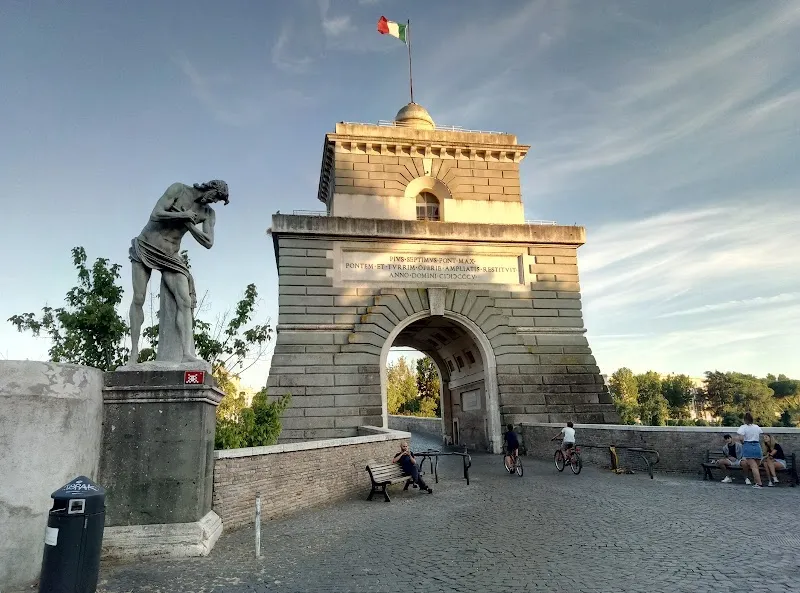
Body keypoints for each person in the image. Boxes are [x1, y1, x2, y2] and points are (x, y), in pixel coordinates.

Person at [128, 180, 229, 364]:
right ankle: (134, 353)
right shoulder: (179, 189)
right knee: (138, 298)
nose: (213, 201)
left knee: (185, 300)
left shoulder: (207, 213)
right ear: (211, 188)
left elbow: (208, 242)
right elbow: (156, 214)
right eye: (215, 196)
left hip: (170, 255)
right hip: (146, 246)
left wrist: (189, 224)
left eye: (217, 200)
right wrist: (183, 215)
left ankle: (186, 353)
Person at [736, 412, 764, 488]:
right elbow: (760, 434)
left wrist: (743, 443)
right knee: (756, 466)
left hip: (748, 445)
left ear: (744, 419)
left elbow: (741, 438)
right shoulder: (757, 427)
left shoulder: (743, 427)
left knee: (753, 466)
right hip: (757, 446)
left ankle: (759, 483)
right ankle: (756, 482)